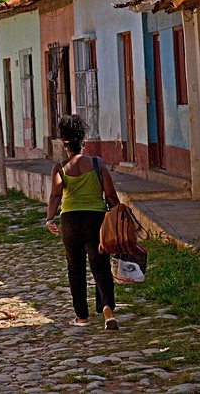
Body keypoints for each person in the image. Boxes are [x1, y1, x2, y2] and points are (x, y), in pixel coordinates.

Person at [46, 114, 121, 330]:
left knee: (75, 267)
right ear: (83, 142)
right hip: (96, 219)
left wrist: (49, 218)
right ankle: (107, 310)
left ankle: (81, 316)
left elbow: (55, 195)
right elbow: (111, 195)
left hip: (70, 220)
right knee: (100, 265)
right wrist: (119, 214)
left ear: (65, 145)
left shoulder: (60, 168)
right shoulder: (97, 164)